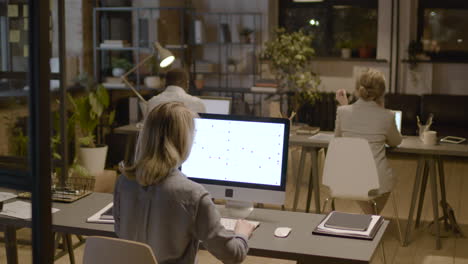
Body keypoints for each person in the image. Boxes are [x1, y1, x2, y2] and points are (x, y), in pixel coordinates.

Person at [114, 102, 255, 264]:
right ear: (184, 141)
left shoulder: (124, 182)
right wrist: (242, 235)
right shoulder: (193, 195)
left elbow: (120, 232)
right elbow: (232, 255)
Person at [334, 68, 402, 214]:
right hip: (377, 180)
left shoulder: (342, 111)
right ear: (381, 92)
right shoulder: (387, 116)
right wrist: (382, 109)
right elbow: (396, 141)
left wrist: (344, 105)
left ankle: (370, 216)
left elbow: (338, 139)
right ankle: (372, 217)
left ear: (358, 89)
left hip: (348, 176)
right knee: (387, 178)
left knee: (358, 178)